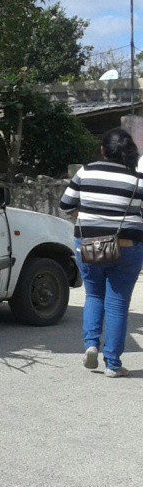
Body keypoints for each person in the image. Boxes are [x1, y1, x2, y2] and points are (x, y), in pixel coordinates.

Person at [59, 128, 143, 378]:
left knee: (94, 296)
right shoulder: (137, 178)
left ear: (103, 150)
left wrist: (87, 217)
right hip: (127, 247)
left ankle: (91, 345)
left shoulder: (86, 171)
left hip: (89, 245)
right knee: (117, 304)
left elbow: (65, 205)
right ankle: (113, 365)